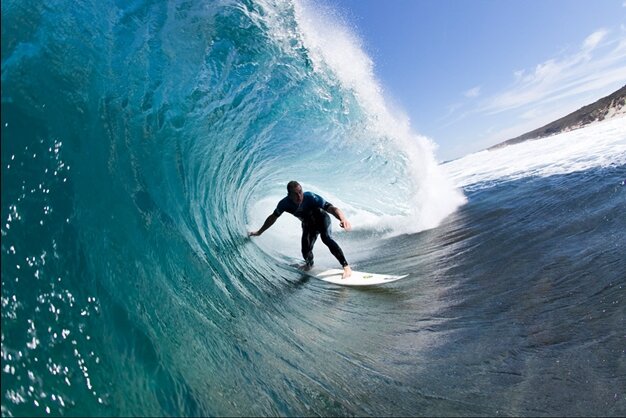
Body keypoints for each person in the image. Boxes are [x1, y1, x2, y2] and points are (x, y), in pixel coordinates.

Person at [249, 181, 353, 279]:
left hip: (322, 220)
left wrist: (342, 219)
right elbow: (273, 218)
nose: (299, 196)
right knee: (305, 251)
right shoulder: (284, 204)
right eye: (295, 194)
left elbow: (331, 208)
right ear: (289, 195)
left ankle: (346, 267)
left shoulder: (311, 197)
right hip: (308, 225)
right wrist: (259, 232)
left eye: (300, 192)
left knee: (326, 238)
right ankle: (309, 265)